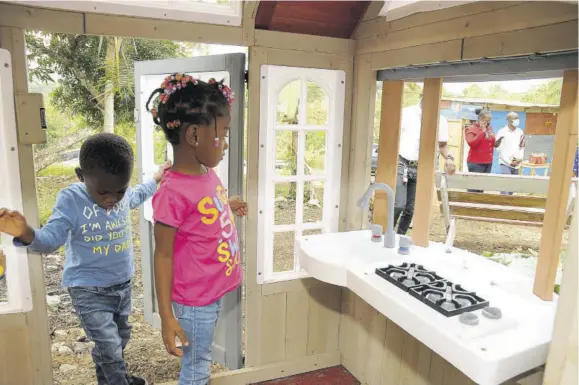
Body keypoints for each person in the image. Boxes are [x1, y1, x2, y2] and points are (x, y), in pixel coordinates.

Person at [0, 133, 169, 385]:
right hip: (88, 290)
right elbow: (50, 240)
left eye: (119, 191)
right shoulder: (71, 200)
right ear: (81, 176)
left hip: (122, 285)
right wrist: (25, 232)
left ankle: (112, 379)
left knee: (120, 339)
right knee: (110, 345)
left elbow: (137, 194)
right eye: (103, 193)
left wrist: (156, 179)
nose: (112, 199)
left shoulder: (123, 195)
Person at [147, 74, 247, 385]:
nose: (226, 144)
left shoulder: (206, 172)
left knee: (200, 360)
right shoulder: (172, 193)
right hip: (193, 301)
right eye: (224, 134)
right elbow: (162, 255)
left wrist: (225, 205)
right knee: (197, 367)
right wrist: (167, 316)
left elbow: (200, 213)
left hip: (210, 291)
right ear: (193, 135)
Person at [394, 97, 456, 235]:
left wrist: (450, 159)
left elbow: (443, 145)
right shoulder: (406, 113)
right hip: (402, 162)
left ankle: (400, 237)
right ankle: (387, 235)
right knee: (398, 204)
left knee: (410, 208)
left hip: (422, 167)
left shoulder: (441, 121)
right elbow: (394, 136)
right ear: (422, 96)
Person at [465, 109, 501, 192]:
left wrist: (495, 144)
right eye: (486, 121)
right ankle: (470, 204)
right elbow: (471, 143)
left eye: (489, 121)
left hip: (488, 162)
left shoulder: (489, 128)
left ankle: (478, 204)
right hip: (476, 162)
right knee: (474, 187)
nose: (488, 123)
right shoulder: (470, 129)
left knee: (481, 187)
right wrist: (482, 131)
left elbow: (489, 141)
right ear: (480, 119)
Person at [496, 112, 526, 195]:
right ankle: (503, 206)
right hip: (505, 163)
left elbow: (522, 146)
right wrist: (509, 162)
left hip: (516, 164)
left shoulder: (520, 132)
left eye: (518, 118)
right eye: (515, 118)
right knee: (505, 187)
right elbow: (499, 150)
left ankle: (509, 205)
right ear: (509, 120)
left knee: (512, 188)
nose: (518, 120)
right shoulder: (502, 132)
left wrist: (520, 159)